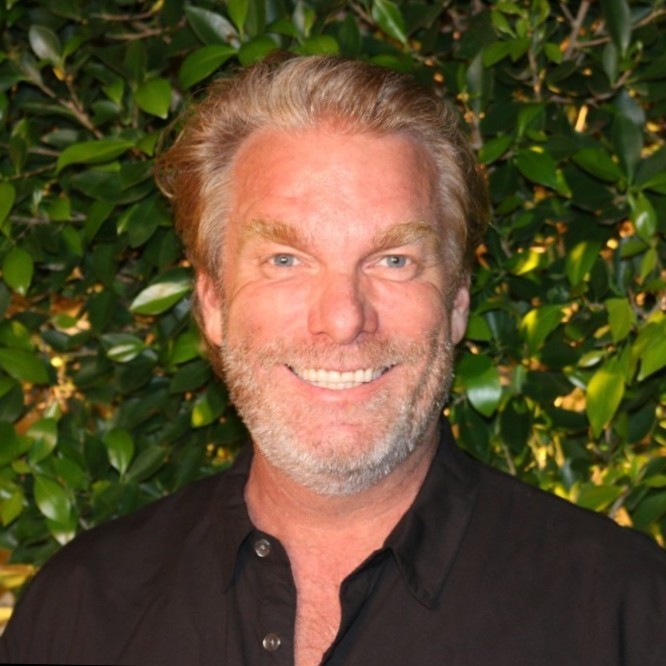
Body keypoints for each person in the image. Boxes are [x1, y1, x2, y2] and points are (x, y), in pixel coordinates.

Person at [1, 54, 665, 666]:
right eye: (285, 260)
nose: (344, 319)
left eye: (394, 260)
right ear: (213, 303)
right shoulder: (79, 612)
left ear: (458, 302)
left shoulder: (624, 612)